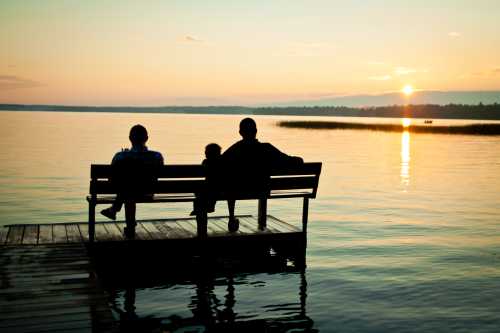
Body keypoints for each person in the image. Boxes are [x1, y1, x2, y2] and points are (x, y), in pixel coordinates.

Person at [222, 118, 303, 232]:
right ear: (256, 131)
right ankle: (260, 223)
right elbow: (288, 160)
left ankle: (231, 217)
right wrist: (298, 159)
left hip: (238, 190)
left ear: (240, 133)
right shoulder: (267, 148)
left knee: (231, 181)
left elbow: (219, 163)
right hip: (262, 189)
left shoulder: (235, 148)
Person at [100, 125, 164, 238]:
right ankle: (117, 212)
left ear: (130, 138)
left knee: (128, 191)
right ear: (147, 138)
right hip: (147, 192)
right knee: (129, 191)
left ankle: (116, 210)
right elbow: (160, 174)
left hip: (126, 192)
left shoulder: (120, 156)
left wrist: (127, 158)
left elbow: (111, 179)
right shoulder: (157, 156)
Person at [190, 143, 222, 216]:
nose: (205, 153)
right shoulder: (223, 161)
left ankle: (199, 209)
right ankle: (210, 206)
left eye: (206, 151)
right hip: (222, 189)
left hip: (210, 188)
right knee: (208, 191)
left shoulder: (206, 162)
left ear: (208, 153)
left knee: (200, 193)